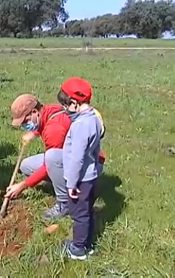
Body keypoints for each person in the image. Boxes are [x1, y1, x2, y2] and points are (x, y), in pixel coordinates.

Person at [57, 77, 103, 260]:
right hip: (89, 175)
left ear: (75, 103)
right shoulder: (93, 118)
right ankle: (87, 244)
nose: (64, 110)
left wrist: (71, 183)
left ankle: (77, 249)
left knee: (79, 214)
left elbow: (77, 158)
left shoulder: (81, 125)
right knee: (87, 211)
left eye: (65, 106)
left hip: (80, 179)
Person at [6, 94, 71, 220]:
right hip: (67, 157)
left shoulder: (54, 130)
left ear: (35, 111)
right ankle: (61, 183)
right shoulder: (47, 110)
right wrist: (34, 132)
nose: (24, 125)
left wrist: (23, 185)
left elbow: (49, 164)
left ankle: (65, 202)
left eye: (25, 121)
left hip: (86, 165)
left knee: (51, 158)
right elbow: (44, 121)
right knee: (26, 165)